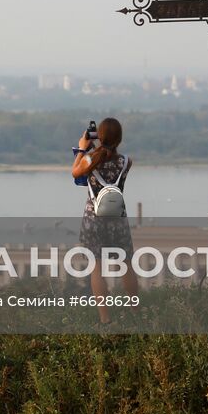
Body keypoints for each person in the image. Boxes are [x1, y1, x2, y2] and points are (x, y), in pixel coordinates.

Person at [73, 117, 139, 323]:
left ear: (99, 137)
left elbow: (75, 172)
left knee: (97, 267)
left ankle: (105, 319)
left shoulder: (90, 160)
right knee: (126, 264)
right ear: (119, 138)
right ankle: (136, 314)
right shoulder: (126, 161)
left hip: (94, 220)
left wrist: (83, 149)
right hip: (118, 219)